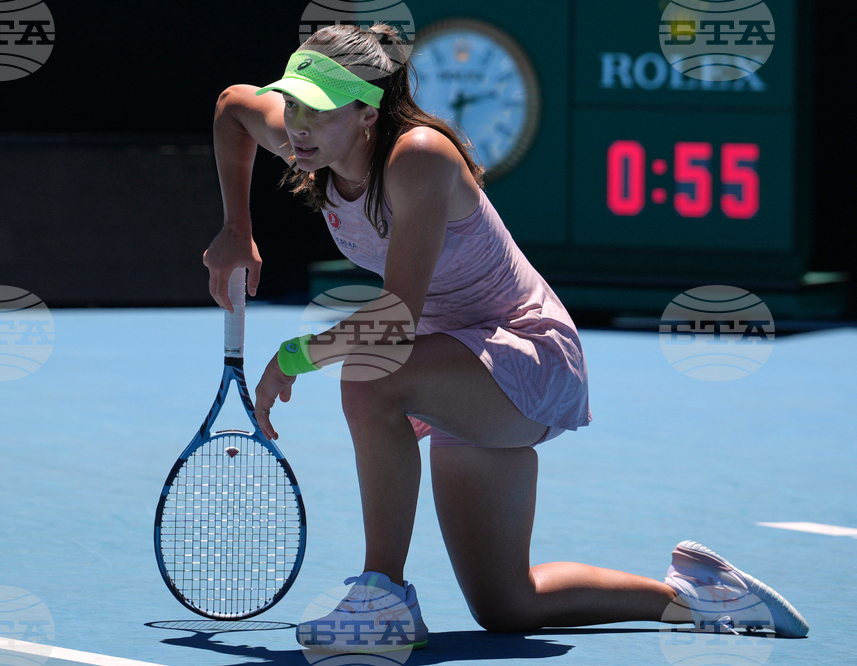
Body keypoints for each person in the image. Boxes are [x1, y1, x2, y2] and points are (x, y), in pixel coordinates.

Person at [203, 23, 808, 651]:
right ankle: (695, 595)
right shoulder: (303, 135)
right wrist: (236, 228)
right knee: (508, 606)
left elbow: (394, 321)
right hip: (455, 370)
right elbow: (232, 108)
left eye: (318, 109)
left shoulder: (418, 157)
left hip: (526, 356)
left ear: (365, 111)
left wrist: (296, 356)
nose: (297, 123)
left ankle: (382, 595)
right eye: (293, 102)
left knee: (369, 376)